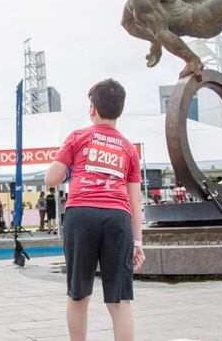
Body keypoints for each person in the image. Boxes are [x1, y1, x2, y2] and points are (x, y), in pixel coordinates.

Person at [45, 79, 145, 341]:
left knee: (79, 293)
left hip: (81, 214)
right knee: (120, 298)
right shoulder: (128, 148)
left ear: (92, 108)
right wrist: (138, 242)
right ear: (120, 110)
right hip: (118, 217)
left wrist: (68, 165)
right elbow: (136, 201)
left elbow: (51, 178)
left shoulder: (78, 137)